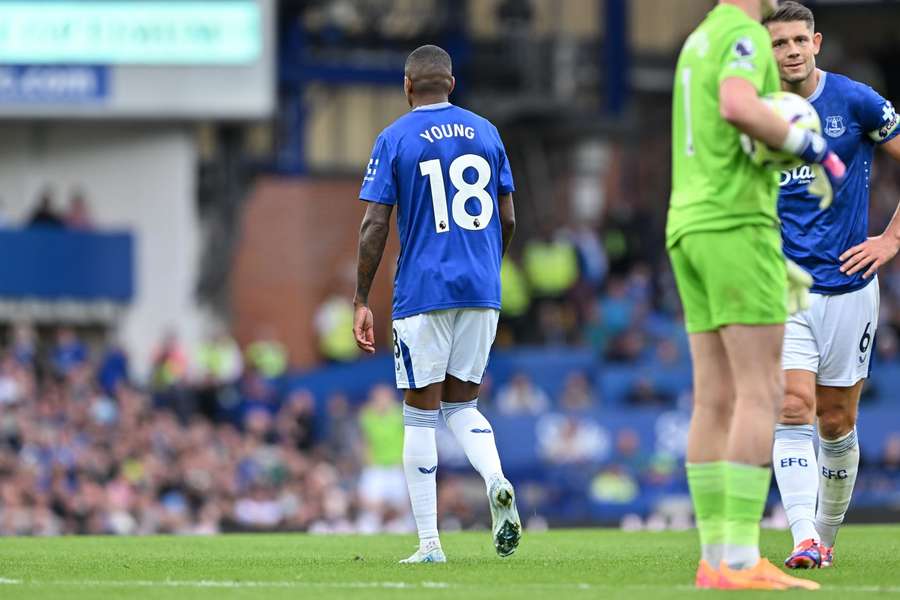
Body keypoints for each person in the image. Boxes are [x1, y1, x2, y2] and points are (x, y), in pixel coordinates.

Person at [667, 0, 847, 590]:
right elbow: (740, 107)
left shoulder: (699, 39)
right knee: (760, 392)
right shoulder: (744, 34)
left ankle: (714, 559)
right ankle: (741, 562)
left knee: (711, 398)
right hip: (735, 225)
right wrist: (811, 146)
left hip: (687, 225)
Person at [352, 44, 520, 563]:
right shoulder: (487, 132)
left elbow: (374, 224)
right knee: (463, 405)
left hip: (423, 292)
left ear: (407, 86)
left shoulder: (394, 137)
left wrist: (361, 297)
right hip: (481, 289)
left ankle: (429, 544)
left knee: (421, 417)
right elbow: (508, 218)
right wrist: (487, 268)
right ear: (452, 83)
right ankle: (495, 478)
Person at [764, 1, 900, 570]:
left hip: (849, 287)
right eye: (779, 43)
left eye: (799, 40)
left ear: (816, 42)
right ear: (767, 52)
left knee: (837, 421)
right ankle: (801, 540)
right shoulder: (754, 113)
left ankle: (824, 534)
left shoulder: (857, 101)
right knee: (793, 407)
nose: (790, 51)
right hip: (782, 287)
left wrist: (891, 239)